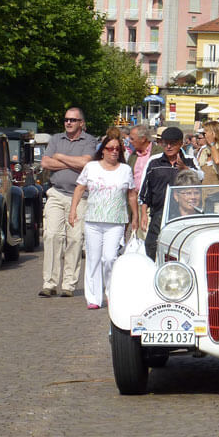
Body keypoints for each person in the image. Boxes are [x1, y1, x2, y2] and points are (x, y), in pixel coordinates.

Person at [69, 129, 137, 311]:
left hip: (115, 220)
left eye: (117, 148)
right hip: (93, 220)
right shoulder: (91, 167)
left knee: (110, 258)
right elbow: (79, 188)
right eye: (110, 148)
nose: (114, 151)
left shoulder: (125, 170)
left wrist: (136, 216)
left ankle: (110, 292)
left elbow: (131, 195)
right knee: (93, 259)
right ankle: (93, 297)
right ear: (103, 150)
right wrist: (73, 210)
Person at [39, 107, 97, 298]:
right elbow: (46, 163)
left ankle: (69, 285)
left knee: (74, 239)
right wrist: (74, 163)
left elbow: (87, 163)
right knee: (51, 236)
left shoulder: (89, 140)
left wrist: (61, 158)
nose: (68, 123)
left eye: (73, 120)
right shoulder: (56, 139)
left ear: (81, 123)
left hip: (80, 196)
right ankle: (50, 283)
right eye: (66, 120)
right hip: (56, 193)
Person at [138, 126, 197, 257]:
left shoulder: (190, 160)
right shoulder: (154, 162)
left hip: (183, 214)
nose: (168, 147)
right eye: (165, 143)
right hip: (158, 213)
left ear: (180, 144)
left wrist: (185, 168)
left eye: (173, 144)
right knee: (152, 245)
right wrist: (143, 214)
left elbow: (200, 178)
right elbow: (145, 190)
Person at [125, 124, 157, 243]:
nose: (130, 141)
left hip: (151, 200)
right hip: (135, 199)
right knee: (137, 234)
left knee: (148, 233)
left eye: (132, 138)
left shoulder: (157, 152)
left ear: (143, 138)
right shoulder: (133, 155)